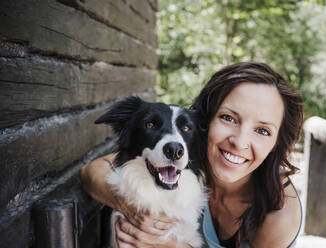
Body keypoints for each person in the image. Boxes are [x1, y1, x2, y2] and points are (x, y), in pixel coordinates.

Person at [81, 62, 303, 248]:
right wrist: (130, 207)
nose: (239, 142)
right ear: (206, 121)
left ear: (277, 143)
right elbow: (91, 171)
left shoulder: (280, 213)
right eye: (228, 118)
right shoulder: (192, 155)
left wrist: (173, 245)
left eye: (263, 131)